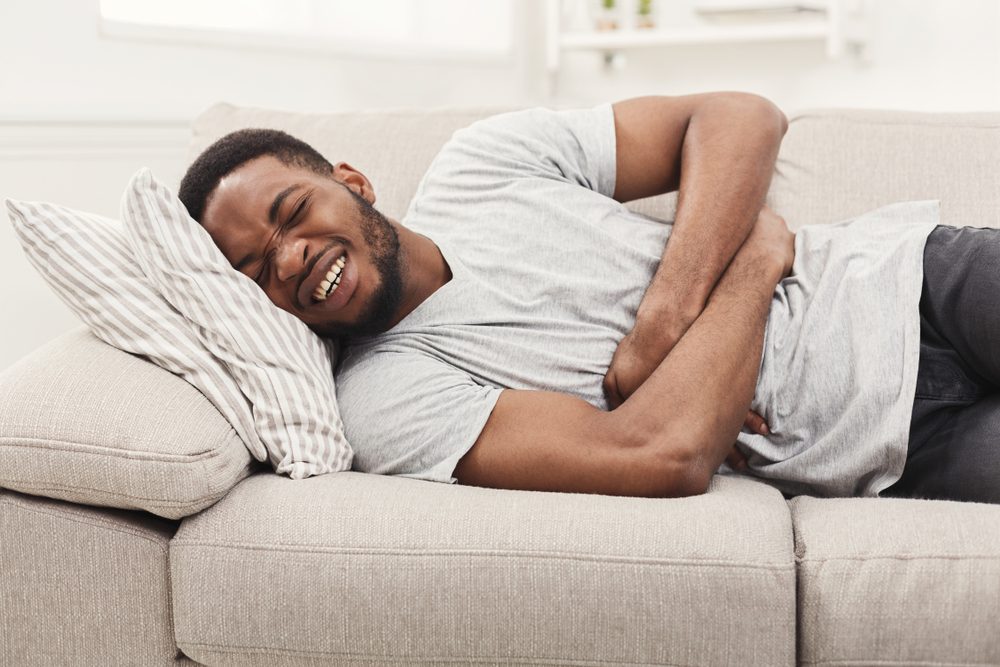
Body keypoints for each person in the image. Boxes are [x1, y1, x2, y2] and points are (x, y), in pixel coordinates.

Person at [177, 92, 999, 504]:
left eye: (292, 214)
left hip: (911, 276)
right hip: (890, 435)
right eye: (255, 269)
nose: (289, 260)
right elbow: (661, 454)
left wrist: (665, 321)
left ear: (349, 181)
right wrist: (752, 259)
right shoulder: (385, 400)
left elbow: (739, 116)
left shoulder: (481, 164)